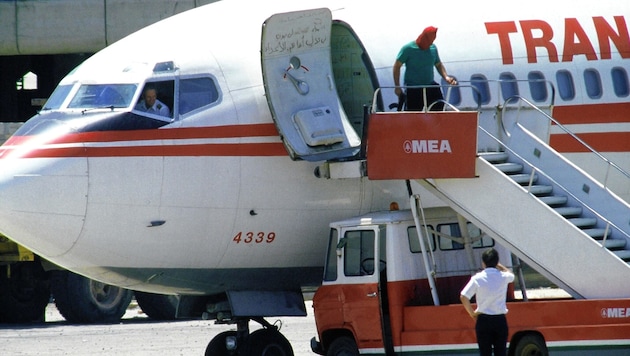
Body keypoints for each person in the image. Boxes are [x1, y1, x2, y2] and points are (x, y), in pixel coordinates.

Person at [460, 248, 515, 356]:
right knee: (501, 352)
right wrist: (499, 265)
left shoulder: (477, 278)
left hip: (483, 320)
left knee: (485, 353)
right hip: (499, 320)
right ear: (496, 261)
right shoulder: (503, 277)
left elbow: (463, 296)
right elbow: (511, 274)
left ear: (483, 263)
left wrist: (472, 313)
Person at [393, 26, 457, 111]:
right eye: (428, 41)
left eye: (431, 42)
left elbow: (438, 64)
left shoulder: (433, 48)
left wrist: (446, 77)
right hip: (413, 88)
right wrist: (397, 86)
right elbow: (397, 66)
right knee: (414, 114)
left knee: (439, 107)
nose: (429, 44)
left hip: (429, 85)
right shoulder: (408, 49)